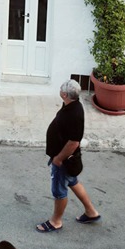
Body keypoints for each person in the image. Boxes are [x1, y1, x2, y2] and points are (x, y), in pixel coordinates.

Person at [37, 79, 101, 233]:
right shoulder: (71, 104)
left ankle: (56, 221)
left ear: (64, 94)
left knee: (59, 191)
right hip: (68, 160)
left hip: (64, 161)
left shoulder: (74, 114)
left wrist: (58, 159)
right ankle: (91, 212)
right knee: (73, 182)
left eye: (60, 89)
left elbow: (73, 142)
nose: (59, 89)